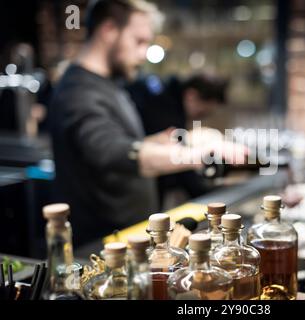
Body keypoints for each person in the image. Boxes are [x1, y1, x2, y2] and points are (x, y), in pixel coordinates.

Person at [49, 0, 244, 246]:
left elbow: (129, 143)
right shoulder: (78, 91)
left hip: (130, 236)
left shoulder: (108, 85)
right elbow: (113, 152)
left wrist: (186, 139)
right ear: (109, 30)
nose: (143, 54)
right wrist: (200, 155)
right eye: (139, 41)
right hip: (100, 247)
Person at [125, 73, 228, 207]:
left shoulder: (167, 99)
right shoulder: (165, 110)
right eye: (201, 112)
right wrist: (205, 192)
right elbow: (178, 159)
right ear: (191, 95)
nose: (200, 117)